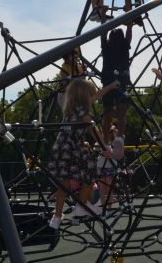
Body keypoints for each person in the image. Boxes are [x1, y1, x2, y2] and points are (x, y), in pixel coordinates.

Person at [48, 79, 120, 230]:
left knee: (64, 184)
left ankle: (57, 216)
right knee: (91, 174)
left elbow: (98, 96)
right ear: (84, 96)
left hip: (60, 148)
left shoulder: (70, 108)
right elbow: (94, 131)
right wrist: (105, 147)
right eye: (90, 94)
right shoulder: (84, 112)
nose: (93, 97)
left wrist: (110, 86)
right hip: (72, 148)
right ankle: (82, 206)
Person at [101, 23, 132, 159]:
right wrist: (129, 24)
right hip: (121, 81)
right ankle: (119, 138)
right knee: (121, 115)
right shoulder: (124, 46)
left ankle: (106, 143)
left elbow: (103, 34)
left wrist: (103, 19)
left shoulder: (107, 47)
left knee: (108, 114)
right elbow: (129, 34)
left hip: (108, 81)